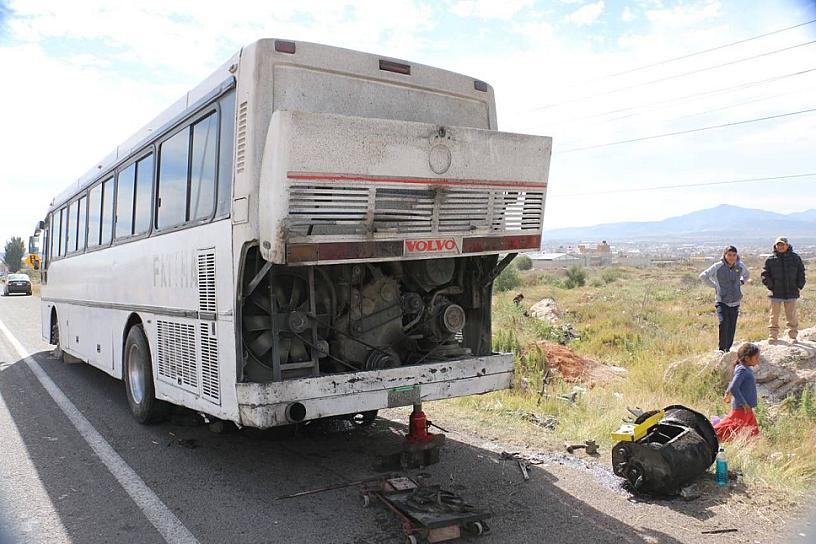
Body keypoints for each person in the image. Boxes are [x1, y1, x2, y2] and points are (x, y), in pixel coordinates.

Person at [699, 246, 750, 352]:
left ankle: (728, 349)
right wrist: (715, 286)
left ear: (737, 255)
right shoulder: (718, 266)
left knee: (732, 326)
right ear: (725, 255)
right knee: (723, 323)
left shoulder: (740, 266)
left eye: (734, 255)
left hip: (735, 301)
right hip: (722, 301)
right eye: (729, 255)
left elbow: (746, 275)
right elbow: (703, 276)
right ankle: (721, 349)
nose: (732, 257)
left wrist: (741, 282)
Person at [761, 236, 806, 343]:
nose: (780, 247)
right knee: (774, 316)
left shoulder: (795, 258)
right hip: (776, 292)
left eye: (782, 245)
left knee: (792, 316)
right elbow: (764, 274)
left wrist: (799, 285)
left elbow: (801, 272)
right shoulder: (770, 259)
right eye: (778, 245)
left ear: (787, 245)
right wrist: (771, 286)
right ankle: (773, 336)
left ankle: (792, 336)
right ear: (775, 246)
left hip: (791, 291)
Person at [714, 342, 760, 441]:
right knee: (726, 429)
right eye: (756, 357)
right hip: (742, 408)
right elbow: (734, 387)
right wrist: (743, 404)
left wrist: (727, 393)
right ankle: (708, 435)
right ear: (747, 358)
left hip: (746, 409)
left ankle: (753, 449)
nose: (758, 360)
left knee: (753, 433)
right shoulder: (742, 370)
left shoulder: (744, 368)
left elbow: (734, 383)